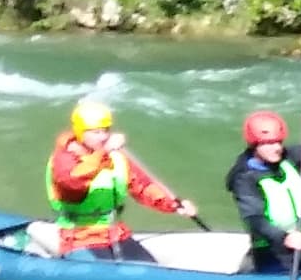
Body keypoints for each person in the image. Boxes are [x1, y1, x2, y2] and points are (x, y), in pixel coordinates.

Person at [47, 97, 199, 256]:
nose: (103, 137)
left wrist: (174, 205)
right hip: (79, 238)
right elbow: (72, 182)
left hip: (116, 233)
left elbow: (143, 187)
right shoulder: (64, 158)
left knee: (146, 268)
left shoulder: (116, 157)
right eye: (96, 132)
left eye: (106, 131)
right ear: (80, 132)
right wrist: (104, 152)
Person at [228, 107, 301, 275]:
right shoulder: (245, 178)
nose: (275, 148)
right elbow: (255, 219)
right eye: (267, 143)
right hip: (271, 251)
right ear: (254, 145)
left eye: (278, 142)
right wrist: (285, 238)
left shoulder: (288, 158)